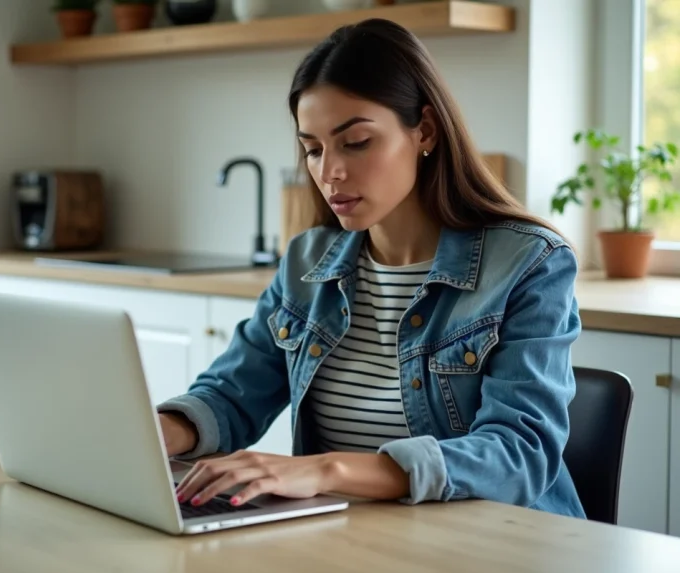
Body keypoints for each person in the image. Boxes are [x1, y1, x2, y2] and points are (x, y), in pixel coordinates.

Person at [156, 18, 586, 519]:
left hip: (501, 541)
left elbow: (519, 453)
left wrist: (325, 470)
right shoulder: (306, 261)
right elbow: (232, 395)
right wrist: (152, 433)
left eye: (356, 142)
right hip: (355, 538)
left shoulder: (529, 263)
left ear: (424, 130)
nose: (328, 172)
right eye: (312, 149)